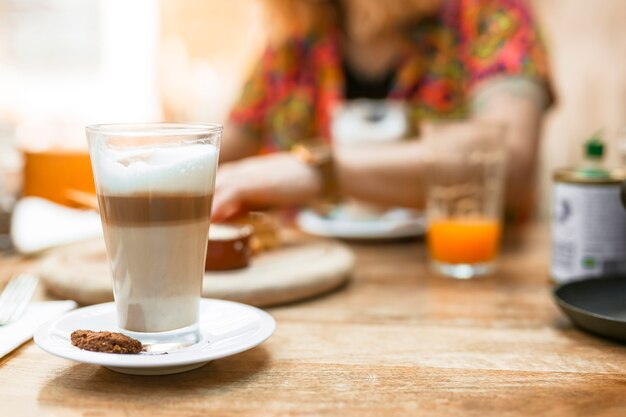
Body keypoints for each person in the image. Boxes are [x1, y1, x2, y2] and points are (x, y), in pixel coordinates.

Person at [212, 0, 552, 222]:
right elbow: (220, 155)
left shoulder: (489, 15)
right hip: (311, 280)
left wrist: (318, 170)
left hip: (464, 287)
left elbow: (509, 158)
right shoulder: (296, 40)